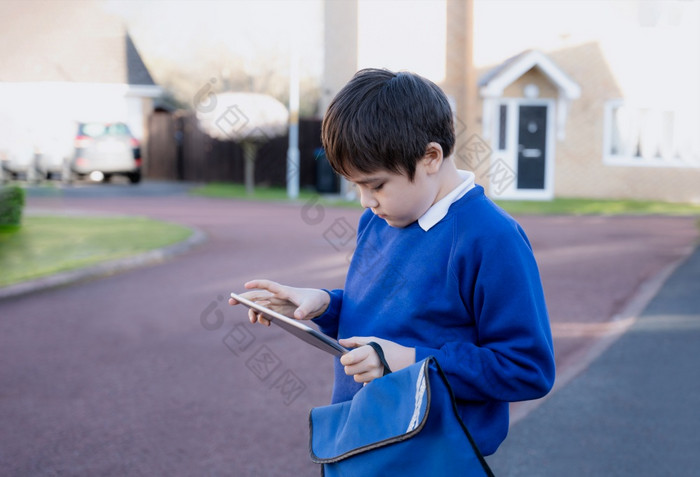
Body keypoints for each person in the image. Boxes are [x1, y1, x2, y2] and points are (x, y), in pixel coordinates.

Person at [229, 68, 555, 456]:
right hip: (360, 438)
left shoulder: (493, 238)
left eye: (376, 185)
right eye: (356, 186)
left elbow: (526, 367)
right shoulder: (378, 219)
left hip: (433, 456)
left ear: (431, 157)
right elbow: (390, 311)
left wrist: (407, 362)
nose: (365, 201)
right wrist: (325, 305)